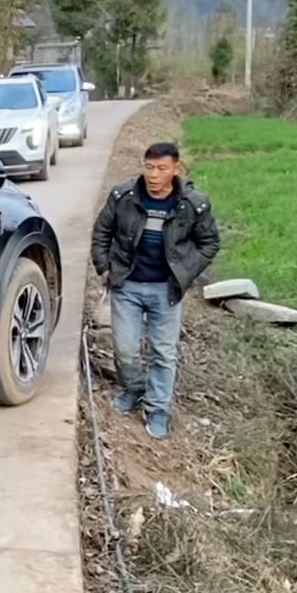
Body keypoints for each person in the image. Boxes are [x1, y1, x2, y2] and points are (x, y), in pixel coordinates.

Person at [89, 142, 221, 439]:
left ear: (176, 169)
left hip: (166, 290)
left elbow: (209, 242)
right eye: (149, 167)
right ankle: (133, 389)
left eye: (161, 168)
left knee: (163, 352)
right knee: (125, 349)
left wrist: (186, 272)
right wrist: (105, 268)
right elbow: (102, 232)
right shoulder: (124, 197)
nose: (153, 175)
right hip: (127, 285)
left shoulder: (192, 203)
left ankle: (157, 408)